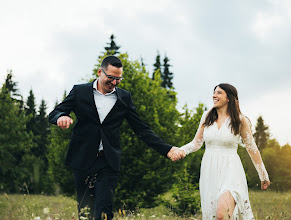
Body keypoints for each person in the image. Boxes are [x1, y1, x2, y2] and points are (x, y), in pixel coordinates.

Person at [49, 55, 178, 220]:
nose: (114, 82)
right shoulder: (79, 91)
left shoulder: (124, 98)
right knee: (85, 212)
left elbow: (141, 129)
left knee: (103, 212)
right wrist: (60, 117)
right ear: (99, 72)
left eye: (119, 79)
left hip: (107, 161)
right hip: (82, 160)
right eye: (111, 78)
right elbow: (55, 112)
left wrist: (167, 149)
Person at [171, 83, 270, 220]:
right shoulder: (207, 116)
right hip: (209, 170)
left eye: (219, 93)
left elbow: (252, 148)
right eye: (214, 92)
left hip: (231, 170)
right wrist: (181, 151)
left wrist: (263, 174)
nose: (214, 95)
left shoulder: (240, 120)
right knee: (214, 215)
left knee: (221, 215)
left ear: (229, 98)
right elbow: (196, 143)